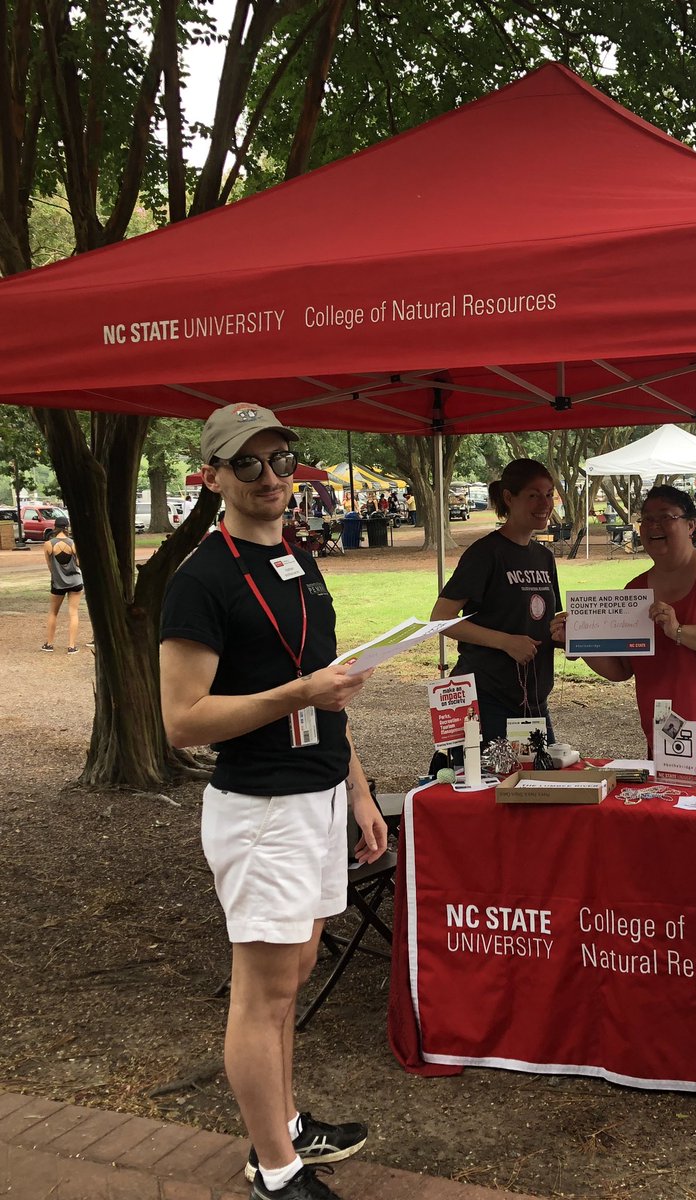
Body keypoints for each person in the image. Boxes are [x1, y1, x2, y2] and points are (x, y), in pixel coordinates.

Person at [159, 403, 387, 1200]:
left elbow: (328, 694)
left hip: (319, 796)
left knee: (292, 978)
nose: (270, 477)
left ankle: (285, 1126)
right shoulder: (201, 579)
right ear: (212, 477)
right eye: (247, 464)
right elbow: (183, 721)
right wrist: (298, 690)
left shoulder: (299, 559)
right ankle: (276, 1174)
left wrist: (357, 792)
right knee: (263, 995)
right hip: (261, 809)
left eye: (281, 458)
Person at [570, 485, 696, 761]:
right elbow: (621, 669)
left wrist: (678, 631)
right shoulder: (634, 591)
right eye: (646, 519)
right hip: (667, 739)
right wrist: (579, 642)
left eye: (665, 517)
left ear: (690, 525)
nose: (653, 526)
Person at [431, 458, 562, 745]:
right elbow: (440, 620)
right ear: (508, 497)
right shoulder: (485, 553)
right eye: (533, 495)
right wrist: (506, 642)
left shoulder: (544, 557)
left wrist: (573, 636)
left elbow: (549, 623)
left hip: (533, 698)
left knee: (540, 784)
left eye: (549, 494)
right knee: (494, 787)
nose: (545, 503)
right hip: (487, 696)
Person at [42, 516, 83, 653]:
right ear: (67, 527)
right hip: (76, 582)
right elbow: (78, 564)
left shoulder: (48, 544)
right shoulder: (73, 544)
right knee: (73, 613)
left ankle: (49, 643)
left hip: (58, 583)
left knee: (53, 612)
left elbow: (50, 566)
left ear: (55, 527)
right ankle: (71, 646)